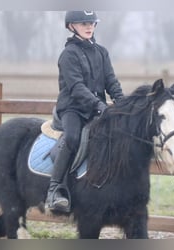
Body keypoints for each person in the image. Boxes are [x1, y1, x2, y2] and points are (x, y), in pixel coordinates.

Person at [45, 11, 124, 212]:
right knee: (72, 137)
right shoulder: (68, 55)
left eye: (92, 23)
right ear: (71, 26)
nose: (89, 27)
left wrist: (122, 103)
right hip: (73, 109)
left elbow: (111, 81)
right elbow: (77, 88)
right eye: (83, 23)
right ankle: (55, 190)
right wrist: (100, 106)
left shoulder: (102, 52)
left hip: (97, 108)